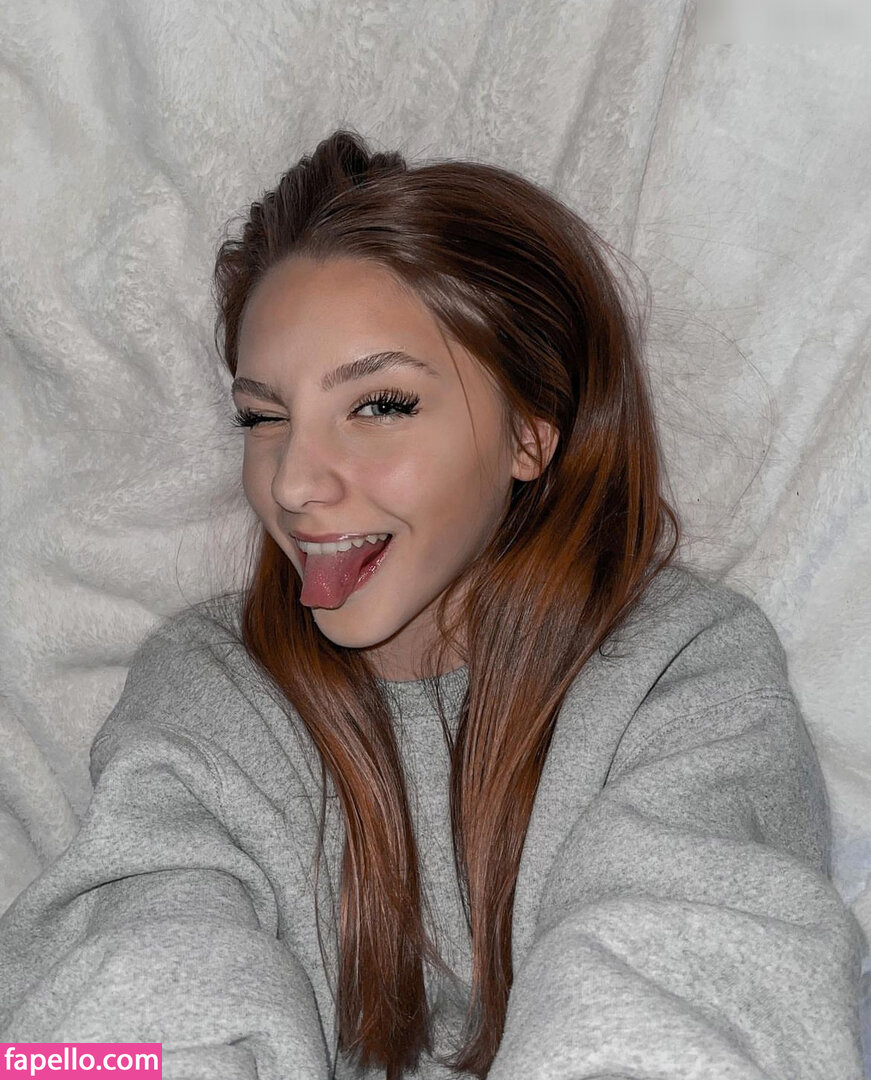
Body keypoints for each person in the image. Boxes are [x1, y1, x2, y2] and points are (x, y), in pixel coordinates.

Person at [0, 129, 865, 1080]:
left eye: (379, 405)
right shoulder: (211, 686)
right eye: (263, 417)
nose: (292, 483)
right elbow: (121, 1001)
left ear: (530, 432)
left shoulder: (683, 671)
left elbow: (694, 985)